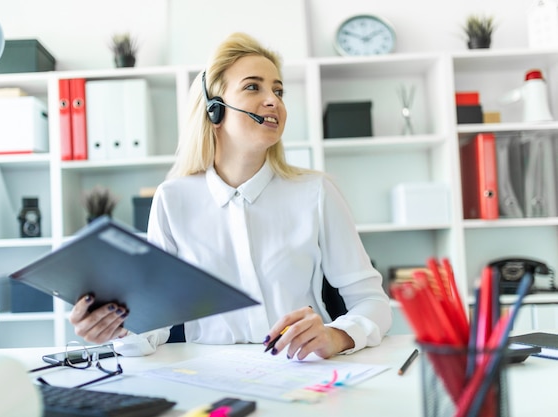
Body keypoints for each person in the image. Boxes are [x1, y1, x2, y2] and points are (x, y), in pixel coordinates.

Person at [70, 32, 392, 360]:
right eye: (254, 86)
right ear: (215, 109)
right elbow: (153, 324)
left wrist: (337, 335)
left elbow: (372, 303)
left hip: (301, 371)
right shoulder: (173, 198)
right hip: (209, 377)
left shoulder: (315, 193)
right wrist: (117, 328)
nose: (273, 100)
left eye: (278, 90)